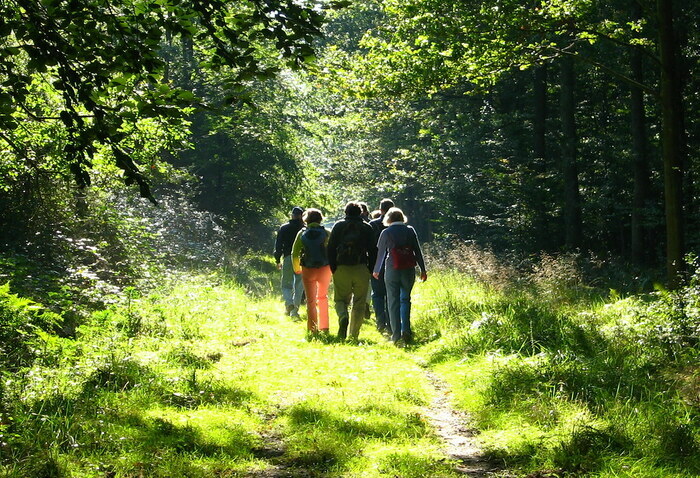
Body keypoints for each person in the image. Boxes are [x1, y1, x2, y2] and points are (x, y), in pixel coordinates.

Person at [373, 207, 427, 344]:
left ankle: (396, 335)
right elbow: (417, 251)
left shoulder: (386, 232)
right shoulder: (410, 230)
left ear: (388, 219)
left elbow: (381, 254)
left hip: (392, 269)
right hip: (408, 268)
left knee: (392, 301)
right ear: (402, 218)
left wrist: (376, 270)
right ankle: (406, 330)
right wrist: (423, 269)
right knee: (405, 299)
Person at [327, 201, 376, 340]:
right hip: (361, 267)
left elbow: (330, 248)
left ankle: (343, 316)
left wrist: (333, 267)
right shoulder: (367, 227)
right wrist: (370, 269)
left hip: (341, 267)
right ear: (361, 212)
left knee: (340, 300)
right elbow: (373, 250)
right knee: (359, 302)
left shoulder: (338, 226)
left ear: (345, 212)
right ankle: (353, 335)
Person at [291, 208, 332, 335]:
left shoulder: (301, 233)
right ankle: (324, 327)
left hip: (308, 268)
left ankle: (312, 328)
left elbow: (295, 253)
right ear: (320, 219)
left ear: (306, 220)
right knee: (323, 297)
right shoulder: (326, 232)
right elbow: (332, 250)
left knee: (310, 300)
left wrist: (297, 268)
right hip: (325, 268)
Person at [369, 198, 394, 334]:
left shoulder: (373, 225)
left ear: (381, 210)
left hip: (375, 264)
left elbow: (369, 245)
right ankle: (392, 323)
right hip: (394, 264)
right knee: (391, 294)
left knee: (378, 294)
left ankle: (380, 322)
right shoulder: (397, 226)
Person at [274, 206, 305, 317]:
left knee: (286, 285)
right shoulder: (304, 229)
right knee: (299, 286)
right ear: (302, 216)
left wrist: (277, 259)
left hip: (288, 258)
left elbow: (278, 246)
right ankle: (294, 312)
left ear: (292, 215)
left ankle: (289, 303)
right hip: (301, 260)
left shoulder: (284, 228)